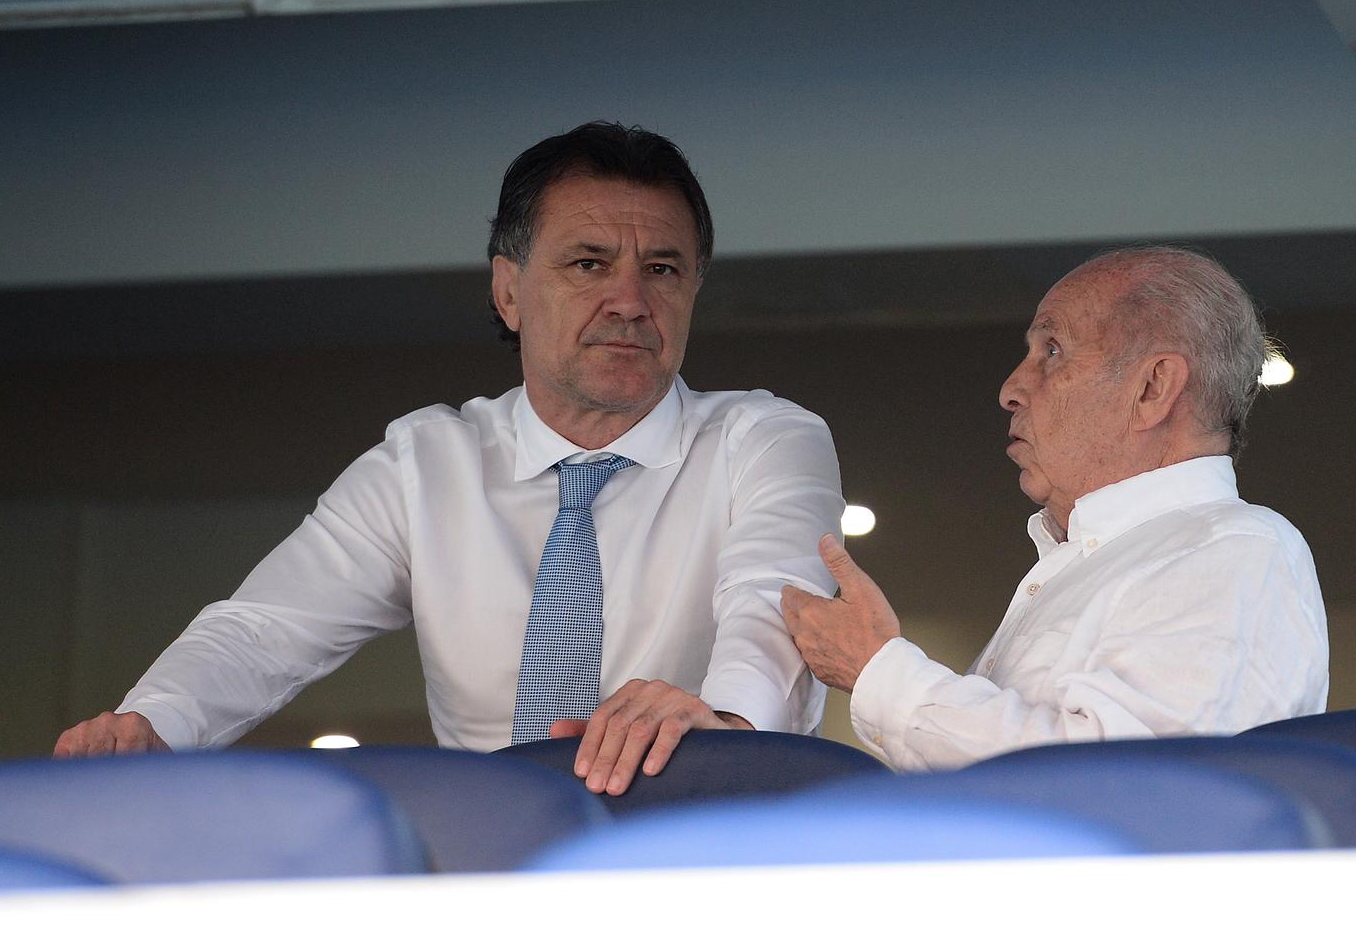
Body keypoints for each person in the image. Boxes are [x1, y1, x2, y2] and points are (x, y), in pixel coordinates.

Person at [54, 121, 844, 795]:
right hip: (498, 877)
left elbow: (773, 601)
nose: (631, 300)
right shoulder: (423, 464)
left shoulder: (766, 438)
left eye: (663, 269)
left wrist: (728, 724)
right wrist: (150, 725)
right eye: (589, 263)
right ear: (508, 291)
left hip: (712, 869)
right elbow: (263, 629)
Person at [782, 245, 1327, 771]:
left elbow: (1123, 783)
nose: (1011, 389)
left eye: (1053, 351)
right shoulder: (1099, 558)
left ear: (1152, 388)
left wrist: (880, 671)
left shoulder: (1235, 549)